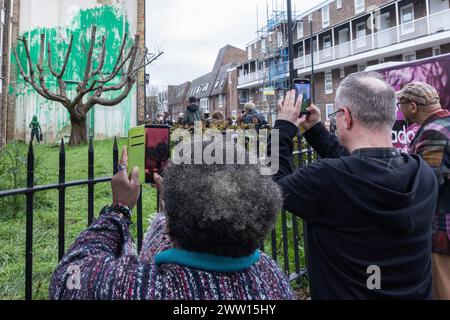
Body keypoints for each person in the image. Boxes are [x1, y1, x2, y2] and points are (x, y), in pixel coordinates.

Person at [49, 145, 295, 300]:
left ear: (167, 226)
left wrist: (118, 209)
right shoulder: (272, 275)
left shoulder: (143, 288)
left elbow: (68, 276)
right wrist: (176, 204)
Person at [271, 72, 438, 299]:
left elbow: (273, 189)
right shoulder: (423, 175)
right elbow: (362, 167)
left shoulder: (326, 179)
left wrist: (282, 127)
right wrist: (315, 130)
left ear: (346, 117)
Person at [397, 81, 450, 300]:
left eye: (400, 105)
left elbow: (427, 183)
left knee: (443, 287)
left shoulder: (433, 133)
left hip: (443, 225)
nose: (399, 112)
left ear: (413, 106)